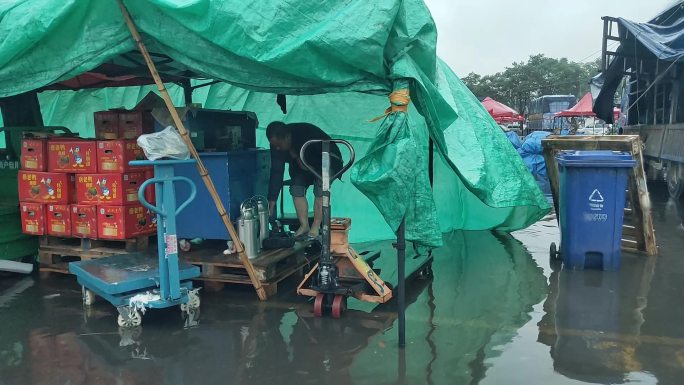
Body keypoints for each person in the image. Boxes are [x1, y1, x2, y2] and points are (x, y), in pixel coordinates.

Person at [266, 121, 343, 239]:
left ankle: (316, 226)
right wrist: (272, 198)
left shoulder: (307, 134)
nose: (277, 148)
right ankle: (304, 225)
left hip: (327, 160)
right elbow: (277, 170)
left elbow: (325, 156)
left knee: (321, 188)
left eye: (279, 145)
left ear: (287, 137)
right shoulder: (277, 146)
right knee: (296, 187)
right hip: (303, 166)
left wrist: (304, 162)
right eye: (274, 145)